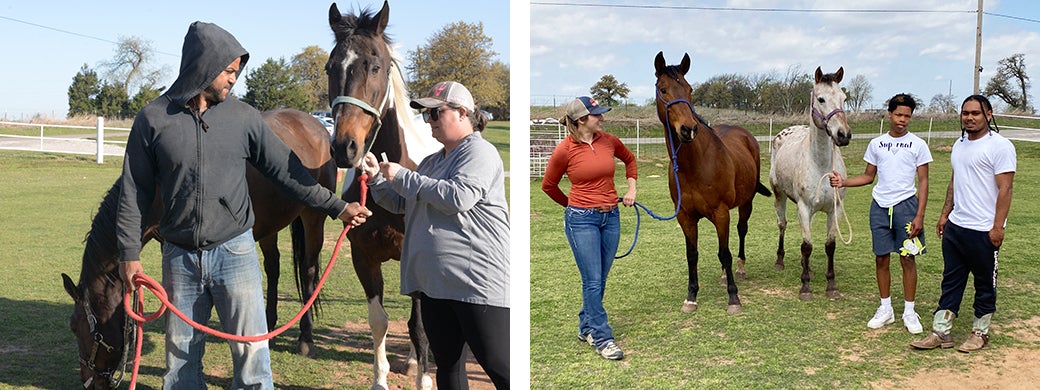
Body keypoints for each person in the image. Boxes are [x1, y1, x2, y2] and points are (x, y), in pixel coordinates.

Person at [115, 22, 371, 389]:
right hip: (179, 258)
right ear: (203, 65)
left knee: (253, 362)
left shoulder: (244, 117)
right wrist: (128, 253)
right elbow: (134, 190)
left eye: (237, 72)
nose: (234, 79)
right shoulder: (152, 119)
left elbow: (288, 171)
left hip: (235, 253)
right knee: (180, 367)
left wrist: (337, 206)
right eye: (229, 71)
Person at [360, 81, 510, 389]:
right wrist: (378, 179)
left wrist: (403, 176)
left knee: (500, 366)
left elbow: (459, 197)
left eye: (435, 114)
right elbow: (402, 202)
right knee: (448, 368)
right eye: (426, 115)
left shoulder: (480, 152)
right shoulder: (432, 161)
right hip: (434, 286)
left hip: (475, 284)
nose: (429, 122)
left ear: (462, 113)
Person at [910, 94, 1016, 353]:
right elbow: (955, 181)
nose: (969, 117)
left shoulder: (1000, 146)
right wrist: (946, 213)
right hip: (957, 226)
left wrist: (998, 227)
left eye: (975, 113)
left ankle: (980, 332)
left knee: (984, 283)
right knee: (951, 280)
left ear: (988, 115)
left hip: (983, 230)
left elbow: (1006, 189)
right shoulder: (960, 144)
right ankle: (941, 332)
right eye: (965, 113)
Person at [541, 96, 637, 361]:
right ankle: (602, 338)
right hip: (581, 221)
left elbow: (629, 160)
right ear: (582, 120)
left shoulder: (609, 141)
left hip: (611, 218)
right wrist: (573, 206)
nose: (602, 119)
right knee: (593, 280)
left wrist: (631, 189)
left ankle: (586, 327)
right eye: (596, 115)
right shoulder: (565, 150)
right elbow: (548, 185)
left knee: (600, 278)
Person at [829, 93, 931, 334]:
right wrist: (843, 182)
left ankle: (909, 311)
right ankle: (886, 309)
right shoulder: (876, 144)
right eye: (898, 115)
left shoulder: (918, 144)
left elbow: (924, 181)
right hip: (880, 207)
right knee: (881, 258)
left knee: (907, 258)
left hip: (907, 207)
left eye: (907, 116)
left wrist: (919, 216)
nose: (902, 120)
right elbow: (868, 176)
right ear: (889, 114)